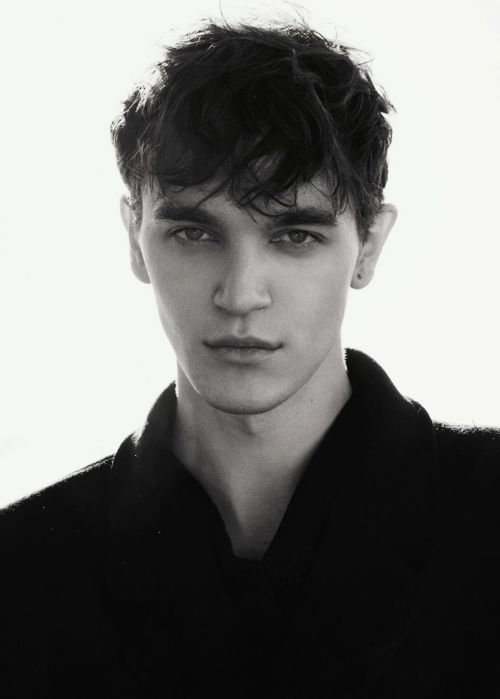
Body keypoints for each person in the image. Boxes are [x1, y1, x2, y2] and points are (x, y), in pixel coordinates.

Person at [1, 16, 499, 699]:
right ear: (134, 237)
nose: (240, 295)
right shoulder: (21, 571)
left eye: (295, 235)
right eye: (193, 232)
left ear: (370, 246)